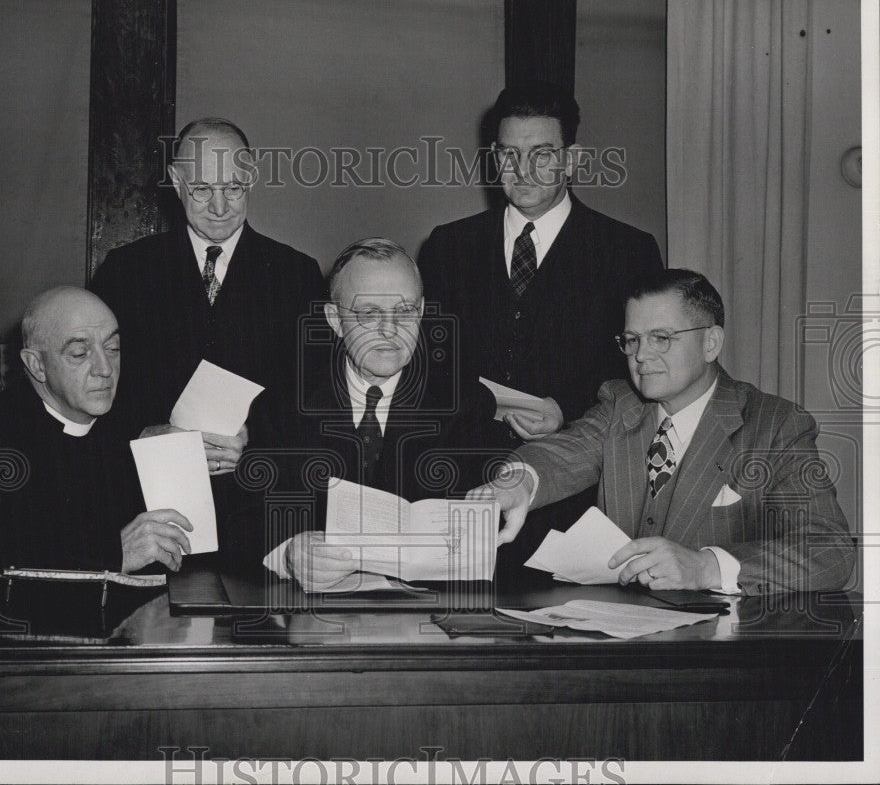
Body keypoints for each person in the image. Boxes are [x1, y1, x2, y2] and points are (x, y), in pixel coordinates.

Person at [470, 270, 855, 594]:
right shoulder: (620, 403)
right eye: (632, 340)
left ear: (711, 343)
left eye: (661, 338)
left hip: (722, 657)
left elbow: (830, 551)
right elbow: (563, 452)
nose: (640, 355)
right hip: (617, 641)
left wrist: (706, 567)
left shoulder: (775, 425)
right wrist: (518, 481)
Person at [417, 80, 664, 563]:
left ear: (571, 159)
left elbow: (647, 372)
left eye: (542, 154)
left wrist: (564, 408)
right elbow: (427, 361)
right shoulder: (447, 247)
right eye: (509, 154)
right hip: (460, 485)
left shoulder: (627, 251)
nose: (523, 170)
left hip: (574, 497)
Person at [90, 117, 324, 556]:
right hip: (149, 514)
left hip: (258, 518)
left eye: (233, 188)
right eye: (201, 189)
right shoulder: (126, 271)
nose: (219, 205)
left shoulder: (297, 275)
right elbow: (91, 389)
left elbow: (312, 398)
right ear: (177, 183)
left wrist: (253, 438)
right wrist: (147, 432)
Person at [262, 239, 506, 589]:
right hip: (312, 624)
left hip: (427, 623)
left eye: (404, 311)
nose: (389, 331)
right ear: (335, 320)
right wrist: (290, 554)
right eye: (369, 313)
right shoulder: (283, 405)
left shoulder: (465, 405)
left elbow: (493, 530)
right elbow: (246, 516)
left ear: (421, 313)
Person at [0, 287, 193, 581]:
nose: (105, 369)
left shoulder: (122, 418)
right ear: (37, 365)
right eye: (79, 353)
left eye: (113, 348)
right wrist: (113, 554)